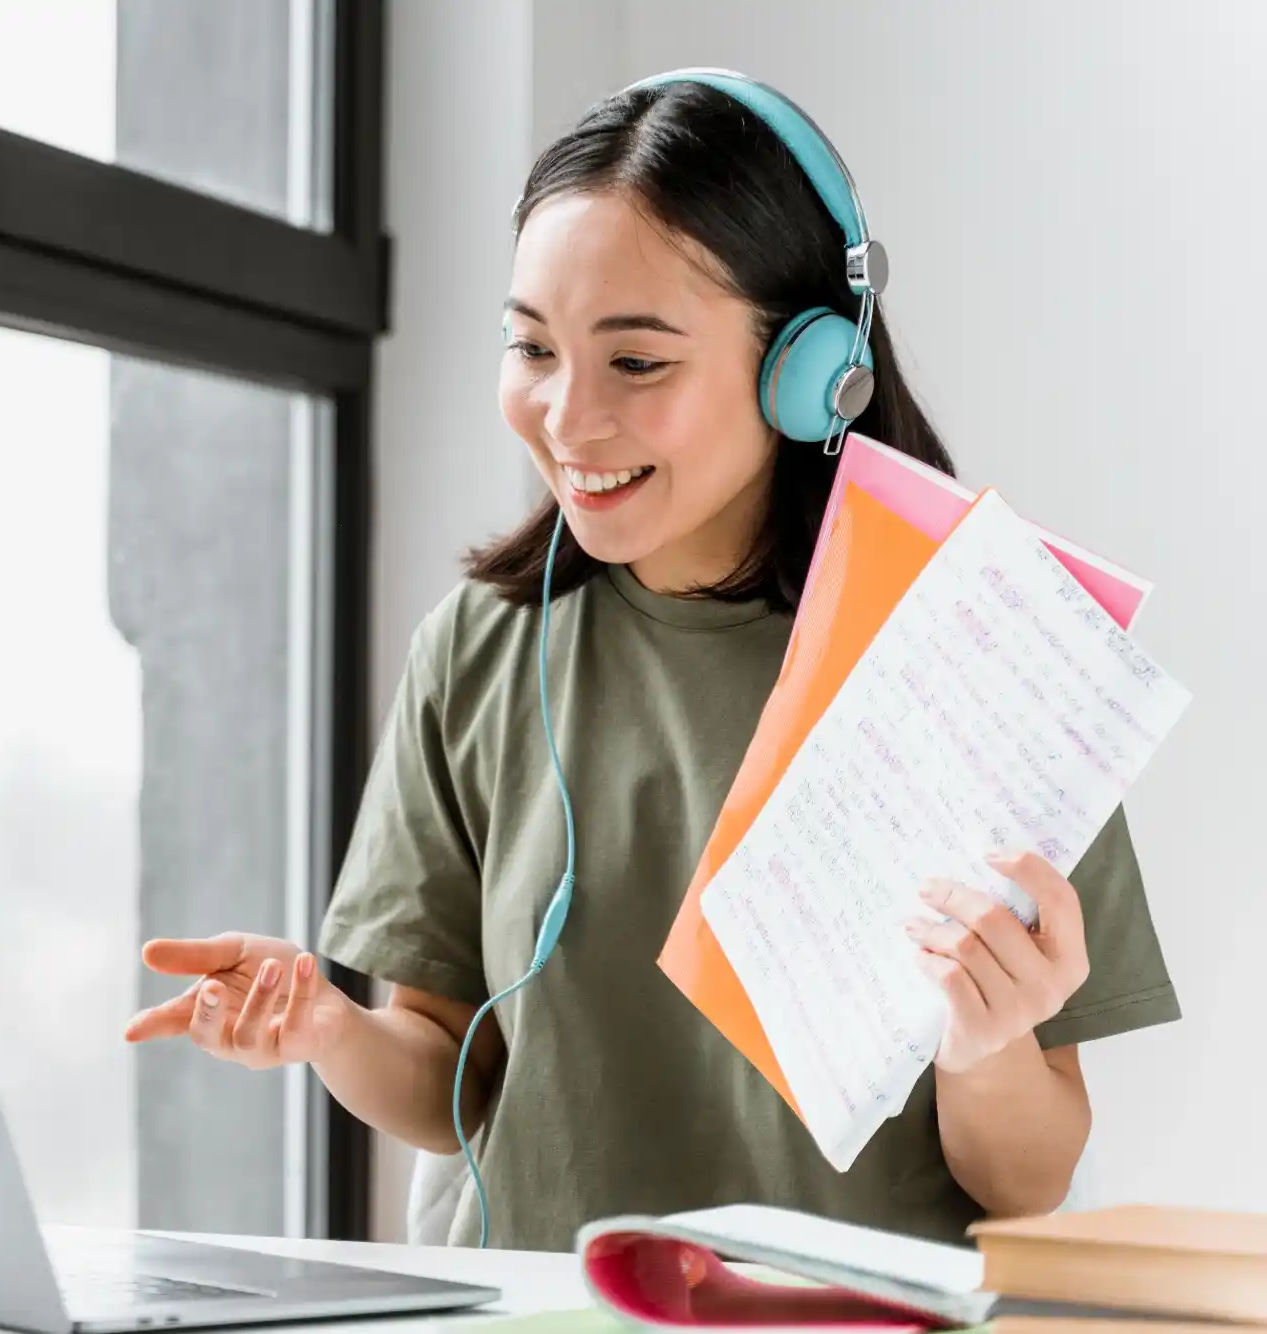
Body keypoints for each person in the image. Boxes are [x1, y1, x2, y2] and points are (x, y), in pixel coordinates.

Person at [122, 72, 1178, 1251]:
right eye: (531, 346)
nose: (567, 419)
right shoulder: (476, 649)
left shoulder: (980, 661)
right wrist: (324, 1028)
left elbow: (1024, 1184)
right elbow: (453, 1083)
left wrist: (984, 1044)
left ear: (808, 368)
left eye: (635, 363)